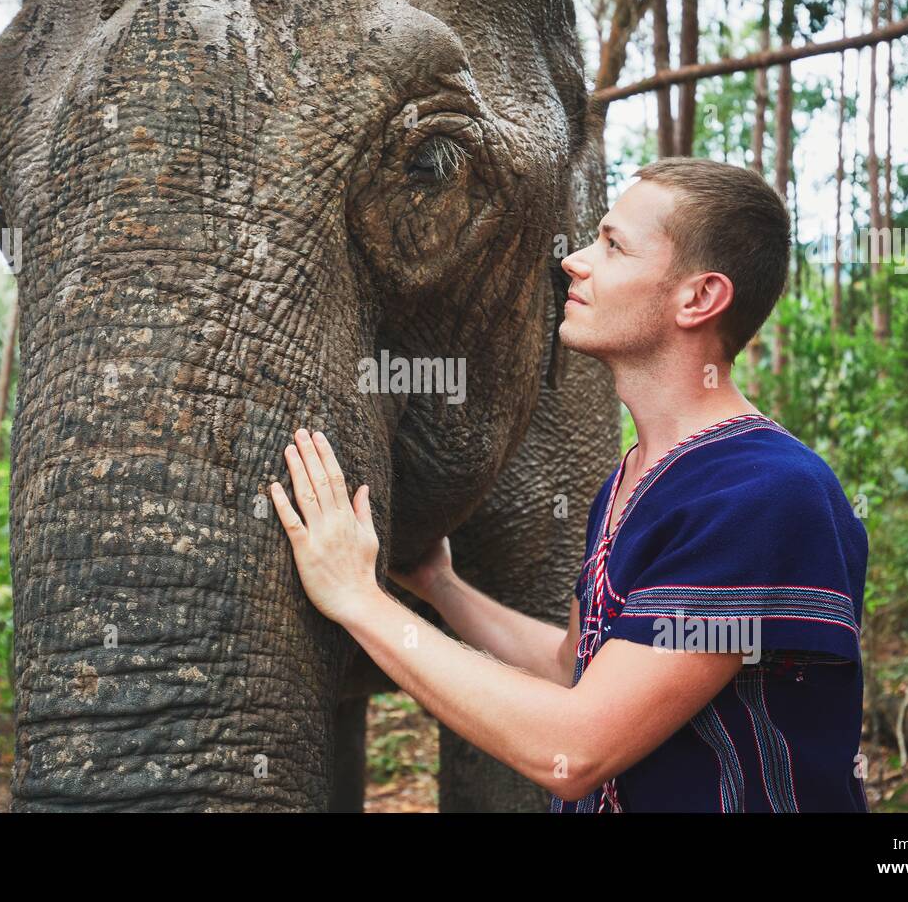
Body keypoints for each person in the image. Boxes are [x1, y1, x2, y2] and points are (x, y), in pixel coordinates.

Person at [269, 157, 869, 812]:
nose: (575, 262)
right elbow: (572, 668)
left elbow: (578, 746)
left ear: (699, 298)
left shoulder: (762, 495)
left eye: (613, 246)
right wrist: (439, 585)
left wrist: (358, 598)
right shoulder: (632, 480)